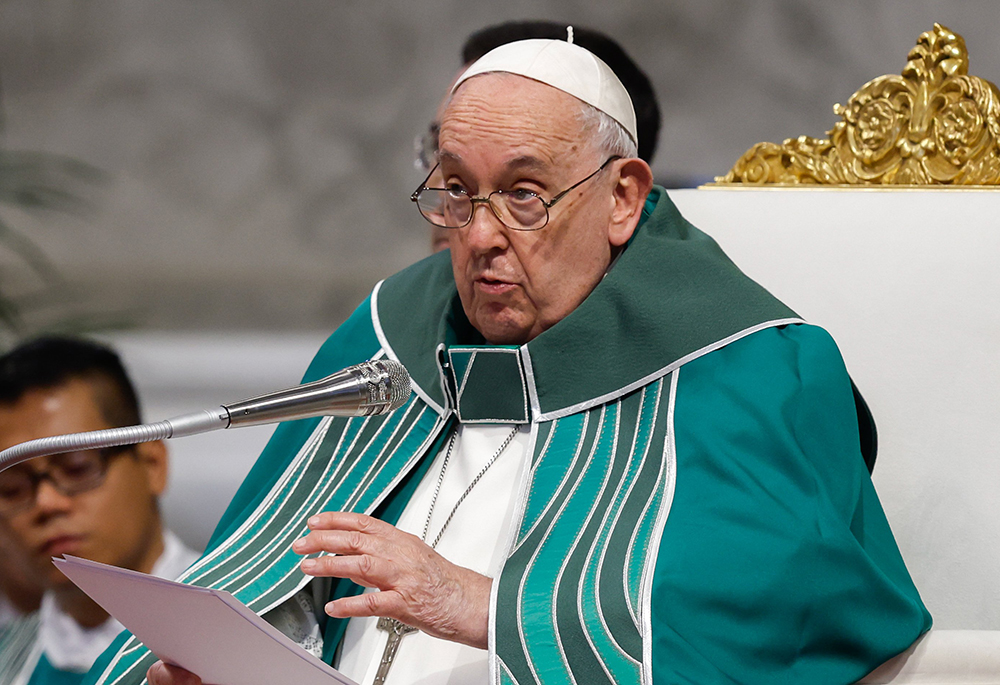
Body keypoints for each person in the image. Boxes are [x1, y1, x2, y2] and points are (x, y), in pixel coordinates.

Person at [101, 37, 929, 685]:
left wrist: (481, 606)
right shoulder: (392, 335)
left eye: (525, 194)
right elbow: (276, 578)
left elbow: (791, 622)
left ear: (623, 198)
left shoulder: (746, 365)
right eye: (457, 190)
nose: (482, 233)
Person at [0, 337, 199, 685]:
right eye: (12, 488)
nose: (47, 503)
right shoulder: (7, 664)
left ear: (152, 464)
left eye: (76, 467)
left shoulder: (252, 621)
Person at [424, 21, 661, 252]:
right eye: (456, 183)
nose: (445, 201)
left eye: (522, 192)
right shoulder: (397, 290)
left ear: (620, 199)